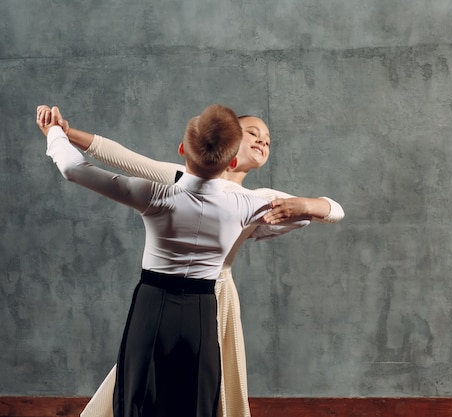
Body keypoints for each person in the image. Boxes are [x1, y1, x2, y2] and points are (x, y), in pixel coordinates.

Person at [39, 106, 345, 417]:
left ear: (184, 149)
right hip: (203, 302)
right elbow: (123, 156)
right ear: (232, 157)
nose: (262, 140)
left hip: (162, 297)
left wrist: (54, 132)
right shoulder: (251, 203)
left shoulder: (159, 192)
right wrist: (304, 208)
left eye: (267, 138)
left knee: (140, 391)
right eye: (252, 132)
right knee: (198, 395)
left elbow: (74, 169)